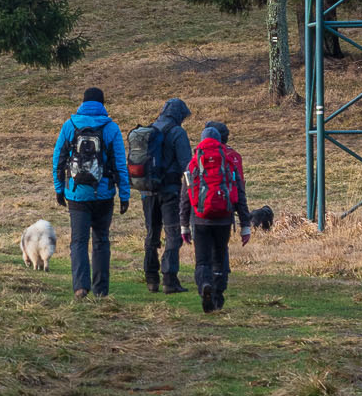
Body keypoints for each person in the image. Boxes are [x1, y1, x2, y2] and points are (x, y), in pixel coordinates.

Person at [52, 86, 129, 299]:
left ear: (82, 102)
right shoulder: (111, 128)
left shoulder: (70, 126)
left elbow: (57, 158)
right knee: (101, 240)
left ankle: (80, 287)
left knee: (78, 241)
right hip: (104, 194)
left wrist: (59, 189)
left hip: (76, 194)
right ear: (102, 104)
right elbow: (121, 165)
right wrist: (124, 195)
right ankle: (101, 290)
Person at [186, 121, 251, 313]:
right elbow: (239, 192)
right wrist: (245, 224)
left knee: (202, 260)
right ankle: (218, 294)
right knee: (220, 255)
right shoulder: (230, 159)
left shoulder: (194, 161)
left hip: (200, 219)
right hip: (224, 217)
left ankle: (204, 284)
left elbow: (185, 195)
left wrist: (183, 225)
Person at [141, 98, 192, 295]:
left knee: (152, 233)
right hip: (170, 191)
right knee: (173, 235)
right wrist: (191, 191)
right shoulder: (177, 132)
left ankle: (151, 278)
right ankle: (169, 279)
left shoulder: (150, 129)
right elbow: (186, 164)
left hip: (147, 191)